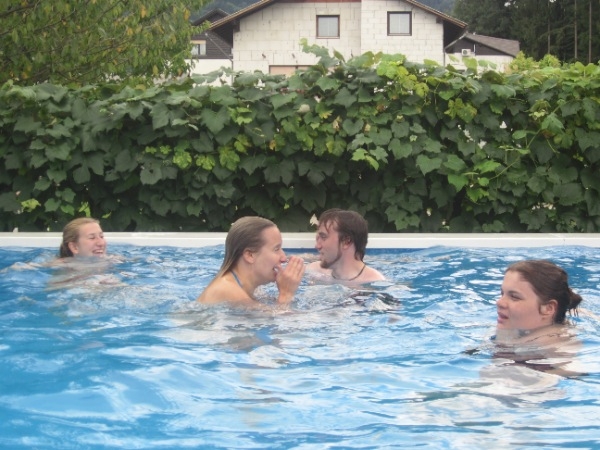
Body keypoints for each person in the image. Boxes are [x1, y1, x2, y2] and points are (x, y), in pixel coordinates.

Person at [197, 216, 305, 308]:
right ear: (250, 255)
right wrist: (286, 294)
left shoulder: (247, 288)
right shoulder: (227, 289)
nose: (284, 258)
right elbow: (280, 321)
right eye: (276, 249)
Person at [495, 259, 583, 345]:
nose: (499, 302)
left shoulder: (555, 347)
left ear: (548, 308)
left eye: (514, 297)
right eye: (502, 293)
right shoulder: (519, 331)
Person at [307, 208, 385, 284]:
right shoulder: (314, 270)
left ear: (346, 242)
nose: (317, 246)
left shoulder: (374, 282)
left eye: (324, 237)